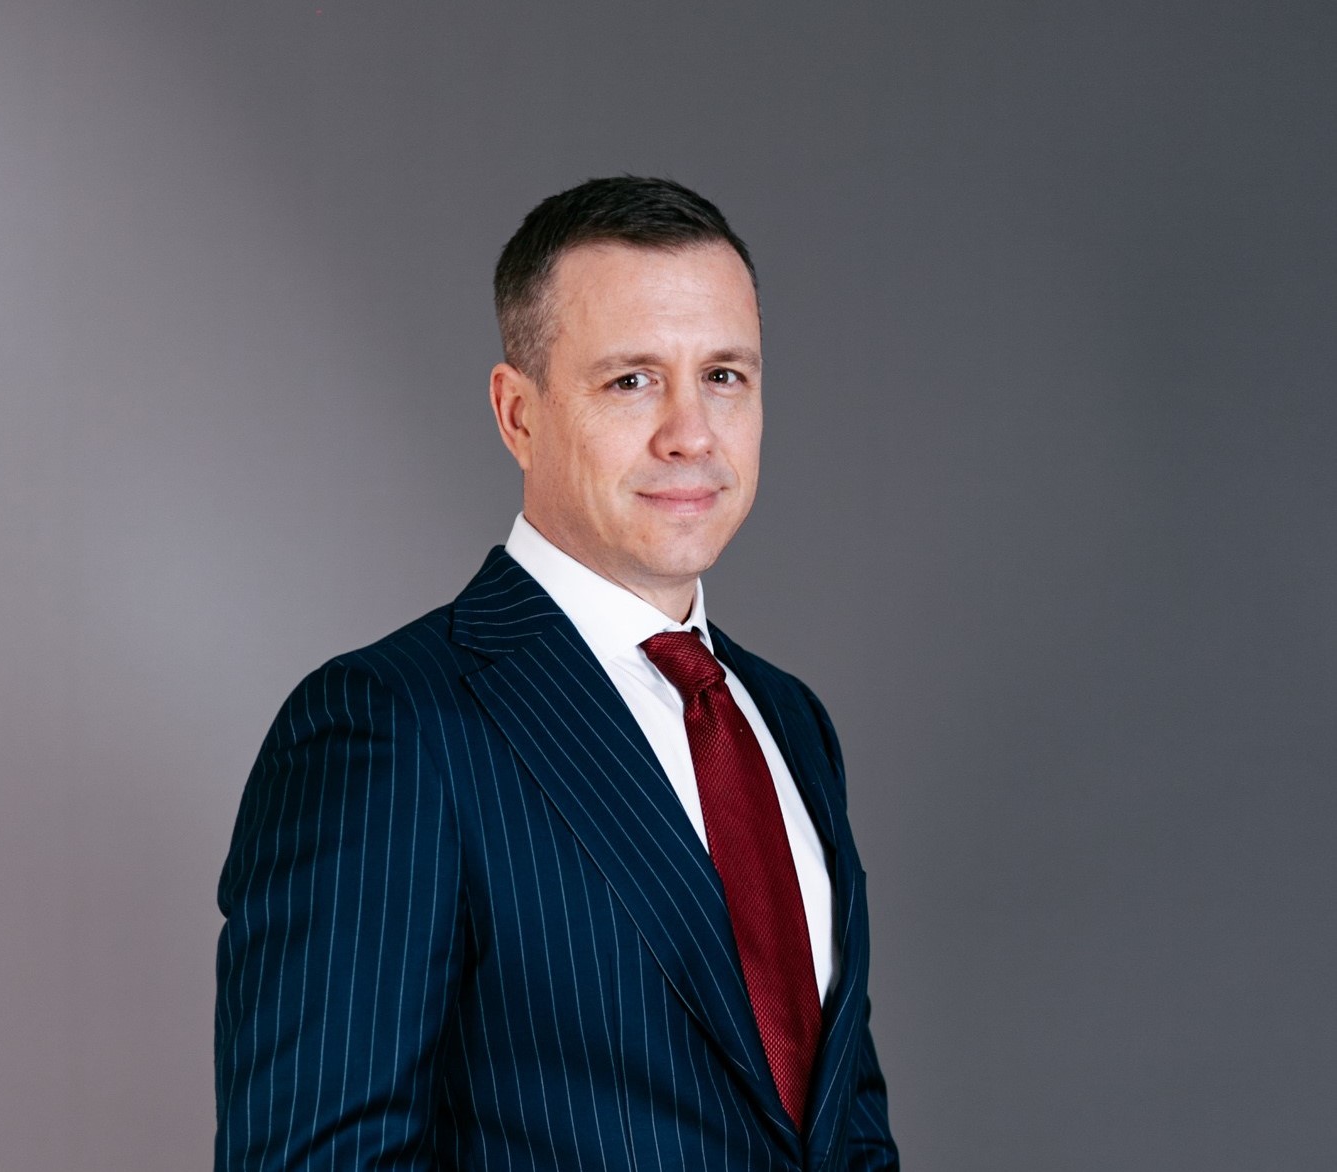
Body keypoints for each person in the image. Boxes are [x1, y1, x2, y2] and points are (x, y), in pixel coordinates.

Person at [215, 176, 899, 1170]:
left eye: (724, 375)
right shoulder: (388, 723)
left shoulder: (788, 721)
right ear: (518, 413)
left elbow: (847, 1130)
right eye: (631, 381)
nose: (691, 432)